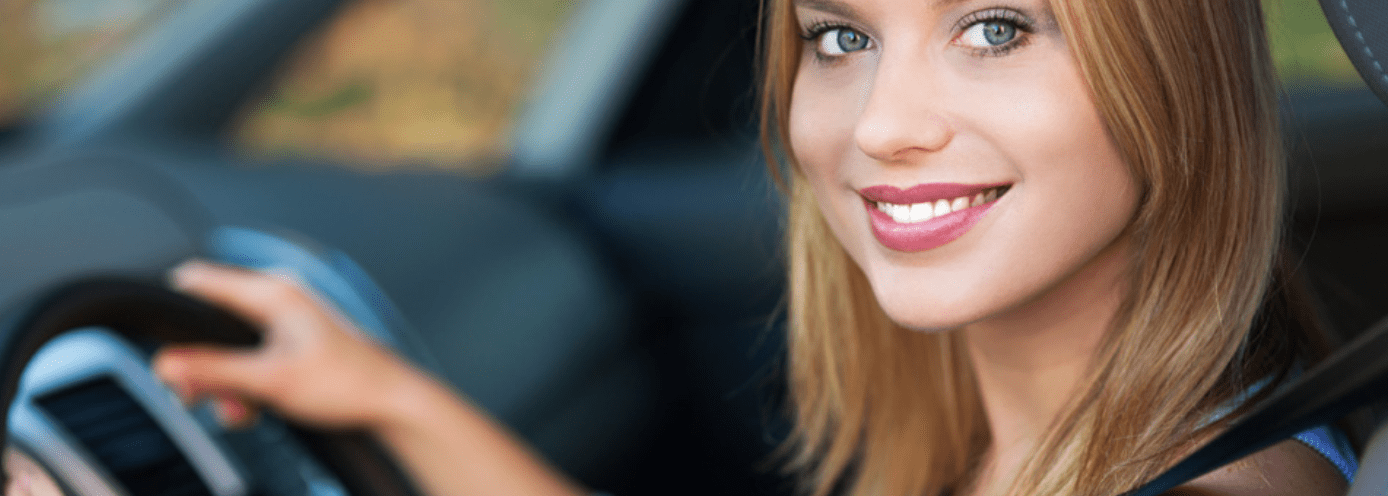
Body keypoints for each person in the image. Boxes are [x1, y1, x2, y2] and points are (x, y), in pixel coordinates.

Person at [154, 0, 1355, 494]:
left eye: (994, 28)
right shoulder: (1063, 440)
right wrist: (387, 399)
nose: (879, 125)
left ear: (1178, 75)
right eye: (839, 38)